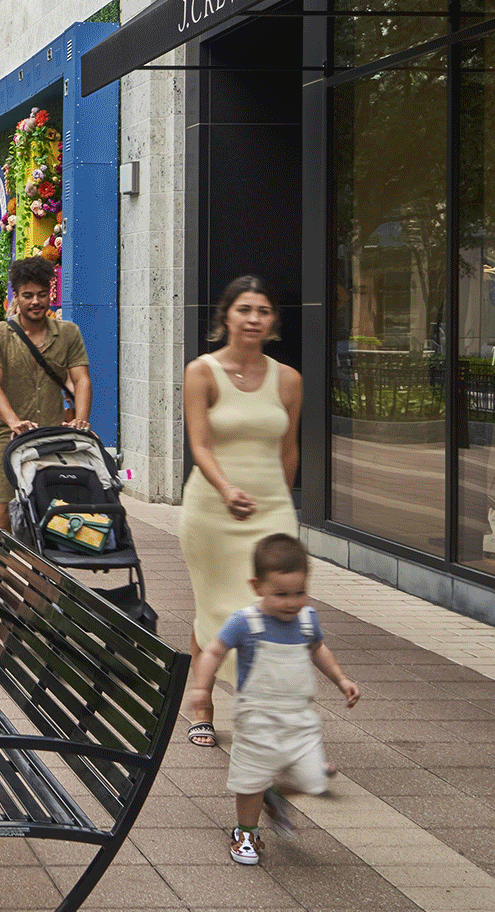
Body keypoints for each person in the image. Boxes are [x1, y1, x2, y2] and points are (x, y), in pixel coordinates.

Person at [177, 275, 302, 748]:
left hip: (270, 510)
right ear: (226, 316)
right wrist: (227, 489)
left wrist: (281, 506)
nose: (254, 319)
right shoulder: (202, 372)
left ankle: (261, 709)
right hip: (212, 508)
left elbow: (288, 450)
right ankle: (203, 701)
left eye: (263, 311)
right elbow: (200, 444)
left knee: (268, 609)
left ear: (273, 321)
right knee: (214, 608)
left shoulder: (288, 379)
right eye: (244, 309)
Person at [184, 534, 359, 866]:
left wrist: (341, 679)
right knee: (250, 778)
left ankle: (274, 793)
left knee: (314, 779)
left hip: (299, 719)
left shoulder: (307, 620)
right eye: (281, 594)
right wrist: (201, 688)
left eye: (299, 593)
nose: (292, 602)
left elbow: (317, 649)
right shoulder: (245, 623)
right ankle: (246, 833)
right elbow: (213, 652)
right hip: (257, 718)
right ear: (257, 585)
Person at [0, 257, 92, 541]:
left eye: (42, 294)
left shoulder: (68, 333)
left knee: (52, 511)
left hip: (52, 437)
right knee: (3, 513)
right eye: (27, 295)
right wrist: (13, 420)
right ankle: (3, 573)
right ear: (15, 297)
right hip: (9, 437)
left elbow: (81, 379)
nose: (36, 301)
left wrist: (81, 419)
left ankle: (41, 577)